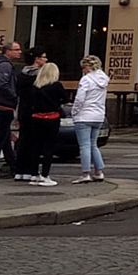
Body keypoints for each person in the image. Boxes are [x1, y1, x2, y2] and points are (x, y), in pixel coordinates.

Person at [16, 57, 64, 187]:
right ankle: (45, 175)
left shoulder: (36, 86)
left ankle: (34, 174)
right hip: (51, 118)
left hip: (36, 118)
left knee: (35, 146)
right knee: (49, 147)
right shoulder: (57, 86)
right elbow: (64, 99)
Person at [0, 41, 23, 179]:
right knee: (0, 137)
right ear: (8, 51)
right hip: (2, 105)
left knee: (5, 137)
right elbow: (3, 85)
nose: (19, 52)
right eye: (16, 49)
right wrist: (14, 96)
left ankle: (12, 165)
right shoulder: (5, 66)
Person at [71, 55, 110, 184]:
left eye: (83, 67)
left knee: (84, 146)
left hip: (84, 115)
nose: (83, 70)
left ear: (88, 66)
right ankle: (99, 172)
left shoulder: (86, 80)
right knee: (93, 145)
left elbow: (80, 99)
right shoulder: (104, 79)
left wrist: (74, 112)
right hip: (98, 115)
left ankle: (85, 173)